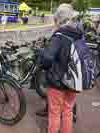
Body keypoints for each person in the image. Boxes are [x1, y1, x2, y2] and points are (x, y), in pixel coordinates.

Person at [36, 4, 84, 133]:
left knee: (55, 112)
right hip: (74, 79)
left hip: (58, 81)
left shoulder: (59, 36)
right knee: (68, 110)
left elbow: (47, 58)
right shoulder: (79, 34)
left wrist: (42, 56)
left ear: (58, 19)